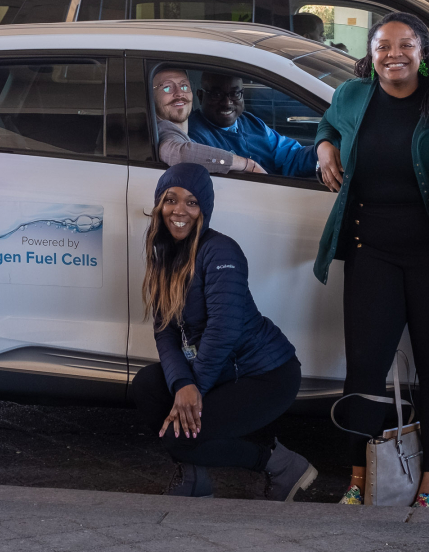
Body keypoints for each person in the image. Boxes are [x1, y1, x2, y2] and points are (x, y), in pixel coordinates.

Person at [312, 11, 429, 508]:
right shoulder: (353, 95)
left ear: (423, 51)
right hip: (372, 252)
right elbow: (329, 121)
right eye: (384, 46)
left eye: (406, 45)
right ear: (371, 52)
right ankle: (360, 480)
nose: (394, 55)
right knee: (363, 369)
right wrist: (325, 146)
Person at [132, 163, 318, 501]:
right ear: (159, 204)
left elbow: (224, 329)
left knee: (178, 437)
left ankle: (281, 465)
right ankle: (194, 479)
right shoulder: (163, 253)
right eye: (171, 200)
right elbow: (166, 333)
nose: (179, 210)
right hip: (219, 371)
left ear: (204, 209)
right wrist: (183, 384)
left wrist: (195, 387)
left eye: (191, 202)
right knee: (146, 385)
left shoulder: (220, 250)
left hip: (265, 375)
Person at [187, 72, 318, 177]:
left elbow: (291, 156)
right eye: (217, 94)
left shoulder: (252, 123)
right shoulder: (193, 135)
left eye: (235, 93)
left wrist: (323, 150)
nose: (227, 102)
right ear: (200, 96)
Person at [151, 65, 266, 174]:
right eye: (167, 88)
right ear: (152, 96)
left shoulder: (251, 121)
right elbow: (179, 154)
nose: (179, 93)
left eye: (184, 86)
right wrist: (248, 164)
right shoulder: (162, 130)